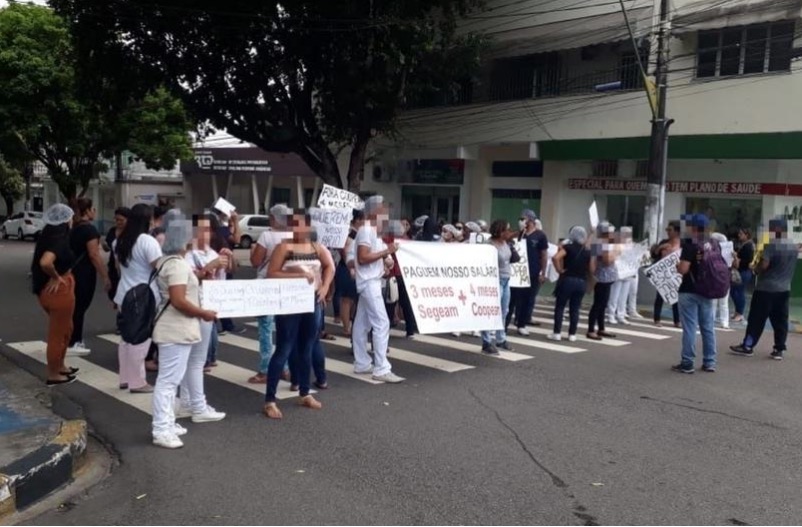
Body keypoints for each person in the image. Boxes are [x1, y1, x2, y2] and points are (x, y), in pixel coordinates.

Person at [150, 210, 223, 449]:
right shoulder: (178, 265)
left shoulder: (168, 261)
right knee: (168, 381)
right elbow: (179, 300)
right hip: (175, 328)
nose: (194, 238)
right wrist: (204, 313)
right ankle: (162, 429)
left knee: (171, 379)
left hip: (175, 328)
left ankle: (168, 423)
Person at [263, 212, 334, 419]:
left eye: (300, 225)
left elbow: (330, 266)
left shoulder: (315, 247)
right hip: (289, 303)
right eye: (293, 225)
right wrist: (298, 275)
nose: (296, 229)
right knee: (284, 348)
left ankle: (304, 392)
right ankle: (270, 399)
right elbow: (272, 273)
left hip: (312, 301)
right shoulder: (284, 247)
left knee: (307, 347)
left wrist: (325, 286)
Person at [352, 196, 405, 383]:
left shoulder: (372, 232)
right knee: (381, 323)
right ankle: (381, 368)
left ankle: (362, 363)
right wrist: (386, 253)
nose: (386, 213)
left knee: (361, 324)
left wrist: (385, 260)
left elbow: (373, 257)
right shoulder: (366, 231)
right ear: (374, 211)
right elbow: (363, 257)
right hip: (369, 283)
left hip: (371, 281)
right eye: (383, 209)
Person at [730, 218, 798, 360]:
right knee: (780, 320)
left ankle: (748, 346)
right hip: (784, 289)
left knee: (756, 318)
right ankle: (779, 349)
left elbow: (764, 265)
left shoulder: (771, 245)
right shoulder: (793, 246)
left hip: (766, 289)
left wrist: (754, 269)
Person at [114, 203, 163, 393]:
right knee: (140, 338)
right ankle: (137, 382)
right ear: (147, 220)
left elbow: (118, 267)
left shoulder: (121, 240)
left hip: (123, 292)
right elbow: (159, 267)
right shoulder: (147, 241)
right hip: (142, 295)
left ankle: (125, 378)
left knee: (126, 338)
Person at [31, 203, 79, 385]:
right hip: (59, 291)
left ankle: (60, 365)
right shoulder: (58, 239)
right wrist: (56, 276)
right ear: (66, 220)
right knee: (58, 333)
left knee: (67, 329)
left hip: (53, 289)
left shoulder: (48, 236)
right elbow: (45, 262)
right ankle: (53, 373)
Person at [247, 204, 293, 384]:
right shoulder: (293, 237)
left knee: (266, 328)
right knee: (285, 329)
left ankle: (266, 368)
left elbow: (256, 261)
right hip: (288, 285)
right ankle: (285, 367)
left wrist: (252, 252)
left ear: (273, 218)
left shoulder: (266, 236)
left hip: (266, 285)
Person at [186, 213, 234, 372]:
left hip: (207, 304)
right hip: (191, 306)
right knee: (191, 359)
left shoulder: (212, 253)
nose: (205, 233)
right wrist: (211, 266)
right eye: (201, 229)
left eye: (208, 229)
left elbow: (220, 282)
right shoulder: (187, 252)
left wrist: (226, 262)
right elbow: (188, 280)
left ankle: (208, 359)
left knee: (198, 360)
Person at [673, 214, 718, 374]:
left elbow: (684, 269)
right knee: (708, 327)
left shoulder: (690, 244)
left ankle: (687, 362)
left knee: (690, 327)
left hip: (689, 290)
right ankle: (710, 362)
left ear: (693, 227)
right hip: (708, 290)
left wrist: (677, 266)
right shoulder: (714, 243)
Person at [66, 198, 111, 357]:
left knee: (75, 307)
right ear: (88, 210)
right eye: (93, 209)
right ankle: (74, 341)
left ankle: (71, 339)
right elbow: (94, 254)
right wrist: (105, 275)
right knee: (80, 307)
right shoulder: (90, 231)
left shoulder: (74, 228)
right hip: (84, 273)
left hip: (72, 271)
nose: (94, 212)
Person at [550, 226, 593, 342]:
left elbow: (555, 258)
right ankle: (572, 334)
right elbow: (591, 269)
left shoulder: (567, 247)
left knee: (560, 307)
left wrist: (559, 270)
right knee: (575, 308)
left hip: (568, 280)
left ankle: (557, 333)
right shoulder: (587, 251)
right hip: (581, 282)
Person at [479, 220, 515, 354]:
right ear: (500, 231)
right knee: (490, 311)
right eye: (507, 230)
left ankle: (501, 339)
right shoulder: (489, 245)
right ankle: (486, 341)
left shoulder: (506, 243)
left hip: (506, 280)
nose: (509, 232)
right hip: (494, 281)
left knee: (504, 311)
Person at [513, 211, 548, 336]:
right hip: (518, 271)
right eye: (520, 219)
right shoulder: (519, 235)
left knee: (528, 298)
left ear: (531, 220)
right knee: (516, 298)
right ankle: (515, 319)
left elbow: (544, 255)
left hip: (533, 271)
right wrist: (520, 233)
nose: (521, 221)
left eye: (524, 219)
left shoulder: (540, 236)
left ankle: (522, 323)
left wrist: (543, 272)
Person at [214, 207, 244, 335]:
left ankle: (225, 323)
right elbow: (237, 239)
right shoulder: (221, 229)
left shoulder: (221, 229)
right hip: (223, 266)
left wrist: (233, 222)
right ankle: (224, 324)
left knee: (221, 297)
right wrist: (236, 221)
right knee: (221, 297)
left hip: (223, 264)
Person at [333, 209, 364, 338]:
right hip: (347, 268)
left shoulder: (358, 232)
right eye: (362, 219)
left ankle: (350, 324)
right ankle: (346, 328)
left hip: (354, 267)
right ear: (357, 220)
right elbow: (343, 249)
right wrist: (349, 264)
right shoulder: (350, 232)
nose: (364, 222)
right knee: (347, 299)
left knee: (352, 299)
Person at [587, 222, 618, 341]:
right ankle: (591, 329)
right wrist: (616, 252)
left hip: (607, 277)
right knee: (598, 304)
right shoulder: (601, 244)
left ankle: (601, 327)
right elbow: (607, 260)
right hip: (602, 277)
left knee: (603, 304)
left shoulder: (606, 243)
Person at [652, 221, 681, 327]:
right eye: (667, 230)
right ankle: (657, 318)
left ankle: (677, 320)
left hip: (676, 274)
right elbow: (654, 255)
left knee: (675, 297)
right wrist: (660, 248)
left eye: (670, 230)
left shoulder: (682, 244)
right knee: (660, 296)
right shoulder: (664, 242)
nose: (668, 232)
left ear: (677, 232)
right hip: (663, 274)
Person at [606, 227, 635, 326]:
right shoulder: (616, 245)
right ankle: (611, 314)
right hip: (618, 273)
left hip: (627, 273)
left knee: (623, 296)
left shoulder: (630, 245)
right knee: (614, 295)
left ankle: (621, 315)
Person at [103, 207, 129, 305]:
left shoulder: (130, 233)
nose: (118, 222)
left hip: (125, 265)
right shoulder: (112, 231)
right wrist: (105, 246)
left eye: (121, 220)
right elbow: (108, 247)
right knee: (113, 288)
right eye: (116, 219)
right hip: (113, 265)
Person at [730, 227, 755, 323]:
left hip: (744, 271)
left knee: (739, 292)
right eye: (739, 234)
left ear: (746, 235)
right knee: (734, 290)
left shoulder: (749, 246)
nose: (739, 235)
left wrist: (737, 258)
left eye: (741, 234)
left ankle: (740, 313)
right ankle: (737, 311)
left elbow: (747, 260)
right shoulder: (744, 245)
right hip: (741, 271)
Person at [710, 232, 731, 329]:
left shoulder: (711, 252)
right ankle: (724, 322)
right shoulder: (726, 252)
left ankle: (714, 320)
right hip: (723, 278)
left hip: (717, 277)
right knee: (722, 302)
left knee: (716, 301)